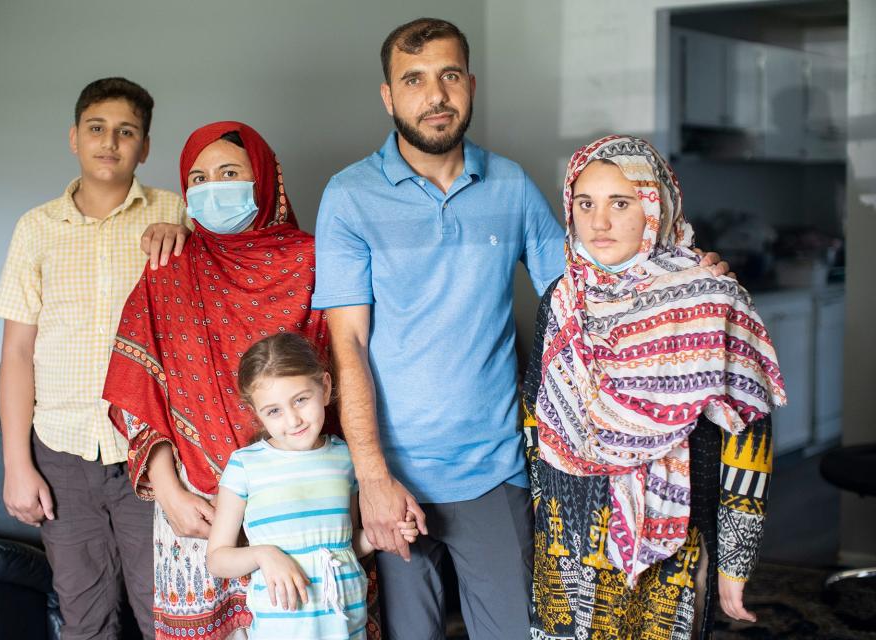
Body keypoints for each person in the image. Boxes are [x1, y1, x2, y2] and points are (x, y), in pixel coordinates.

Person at [312, 18, 729, 639]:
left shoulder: (508, 184)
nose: (435, 96)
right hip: (394, 475)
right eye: (415, 79)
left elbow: (592, 284)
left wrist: (684, 277)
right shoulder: (349, 197)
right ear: (387, 95)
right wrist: (371, 479)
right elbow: (346, 343)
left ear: (471, 85)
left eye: (450, 76)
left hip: (495, 466)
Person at [103, 121, 363, 640]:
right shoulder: (170, 267)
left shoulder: (315, 261)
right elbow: (138, 390)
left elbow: (349, 368)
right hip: (197, 510)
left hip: (305, 503)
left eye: (229, 173)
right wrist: (170, 492)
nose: (211, 188)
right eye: (197, 179)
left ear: (264, 180)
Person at [522, 135, 786, 640]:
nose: (598, 222)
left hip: (675, 536)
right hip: (568, 534)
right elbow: (537, 416)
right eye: (585, 203)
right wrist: (542, 517)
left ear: (654, 206)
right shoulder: (562, 298)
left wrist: (734, 560)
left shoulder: (709, 297)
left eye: (620, 203)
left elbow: (749, 434)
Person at [0, 77, 190, 639]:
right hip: (61, 451)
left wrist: (185, 236)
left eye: (127, 132)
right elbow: (17, 353)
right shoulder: (36, 229)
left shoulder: (177, 213)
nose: (111, 142)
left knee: (168, 614)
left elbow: (218, 301)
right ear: (74, 137)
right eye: (97, 129)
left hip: (154, 452)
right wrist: (16, 464)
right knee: (85, 619)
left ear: (145, 147)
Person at [206, 332, 418, 640]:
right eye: (274, 411)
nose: (293, 420)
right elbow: (217, 558)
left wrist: (384, 535)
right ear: (256, 413)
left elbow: (346, 544)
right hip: (281, 630)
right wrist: (263, 554)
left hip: (345, 627)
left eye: (301, 400)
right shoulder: (245, 466)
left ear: (326, 386)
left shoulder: (347, 458)